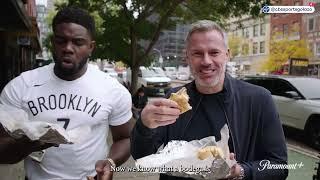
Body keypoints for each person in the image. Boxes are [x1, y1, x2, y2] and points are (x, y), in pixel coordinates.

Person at [131, 20, 288, 180]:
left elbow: (279, 166)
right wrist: (145, 126)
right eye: (197, 53)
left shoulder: (259, 100)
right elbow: (141, 157)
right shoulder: (172, 102)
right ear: (187, 57)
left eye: (214, 52)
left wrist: (241, 171)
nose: (206, 61)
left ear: (227, 54)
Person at [0, 6, 133, 180]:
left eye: (78, 42)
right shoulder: (21, 86)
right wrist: (27, 145)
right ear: (53, 42)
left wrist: (111, 162)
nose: (68, 48)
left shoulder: (112, 90)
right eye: (61, 41)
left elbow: (126, 138)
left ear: (91, 47)